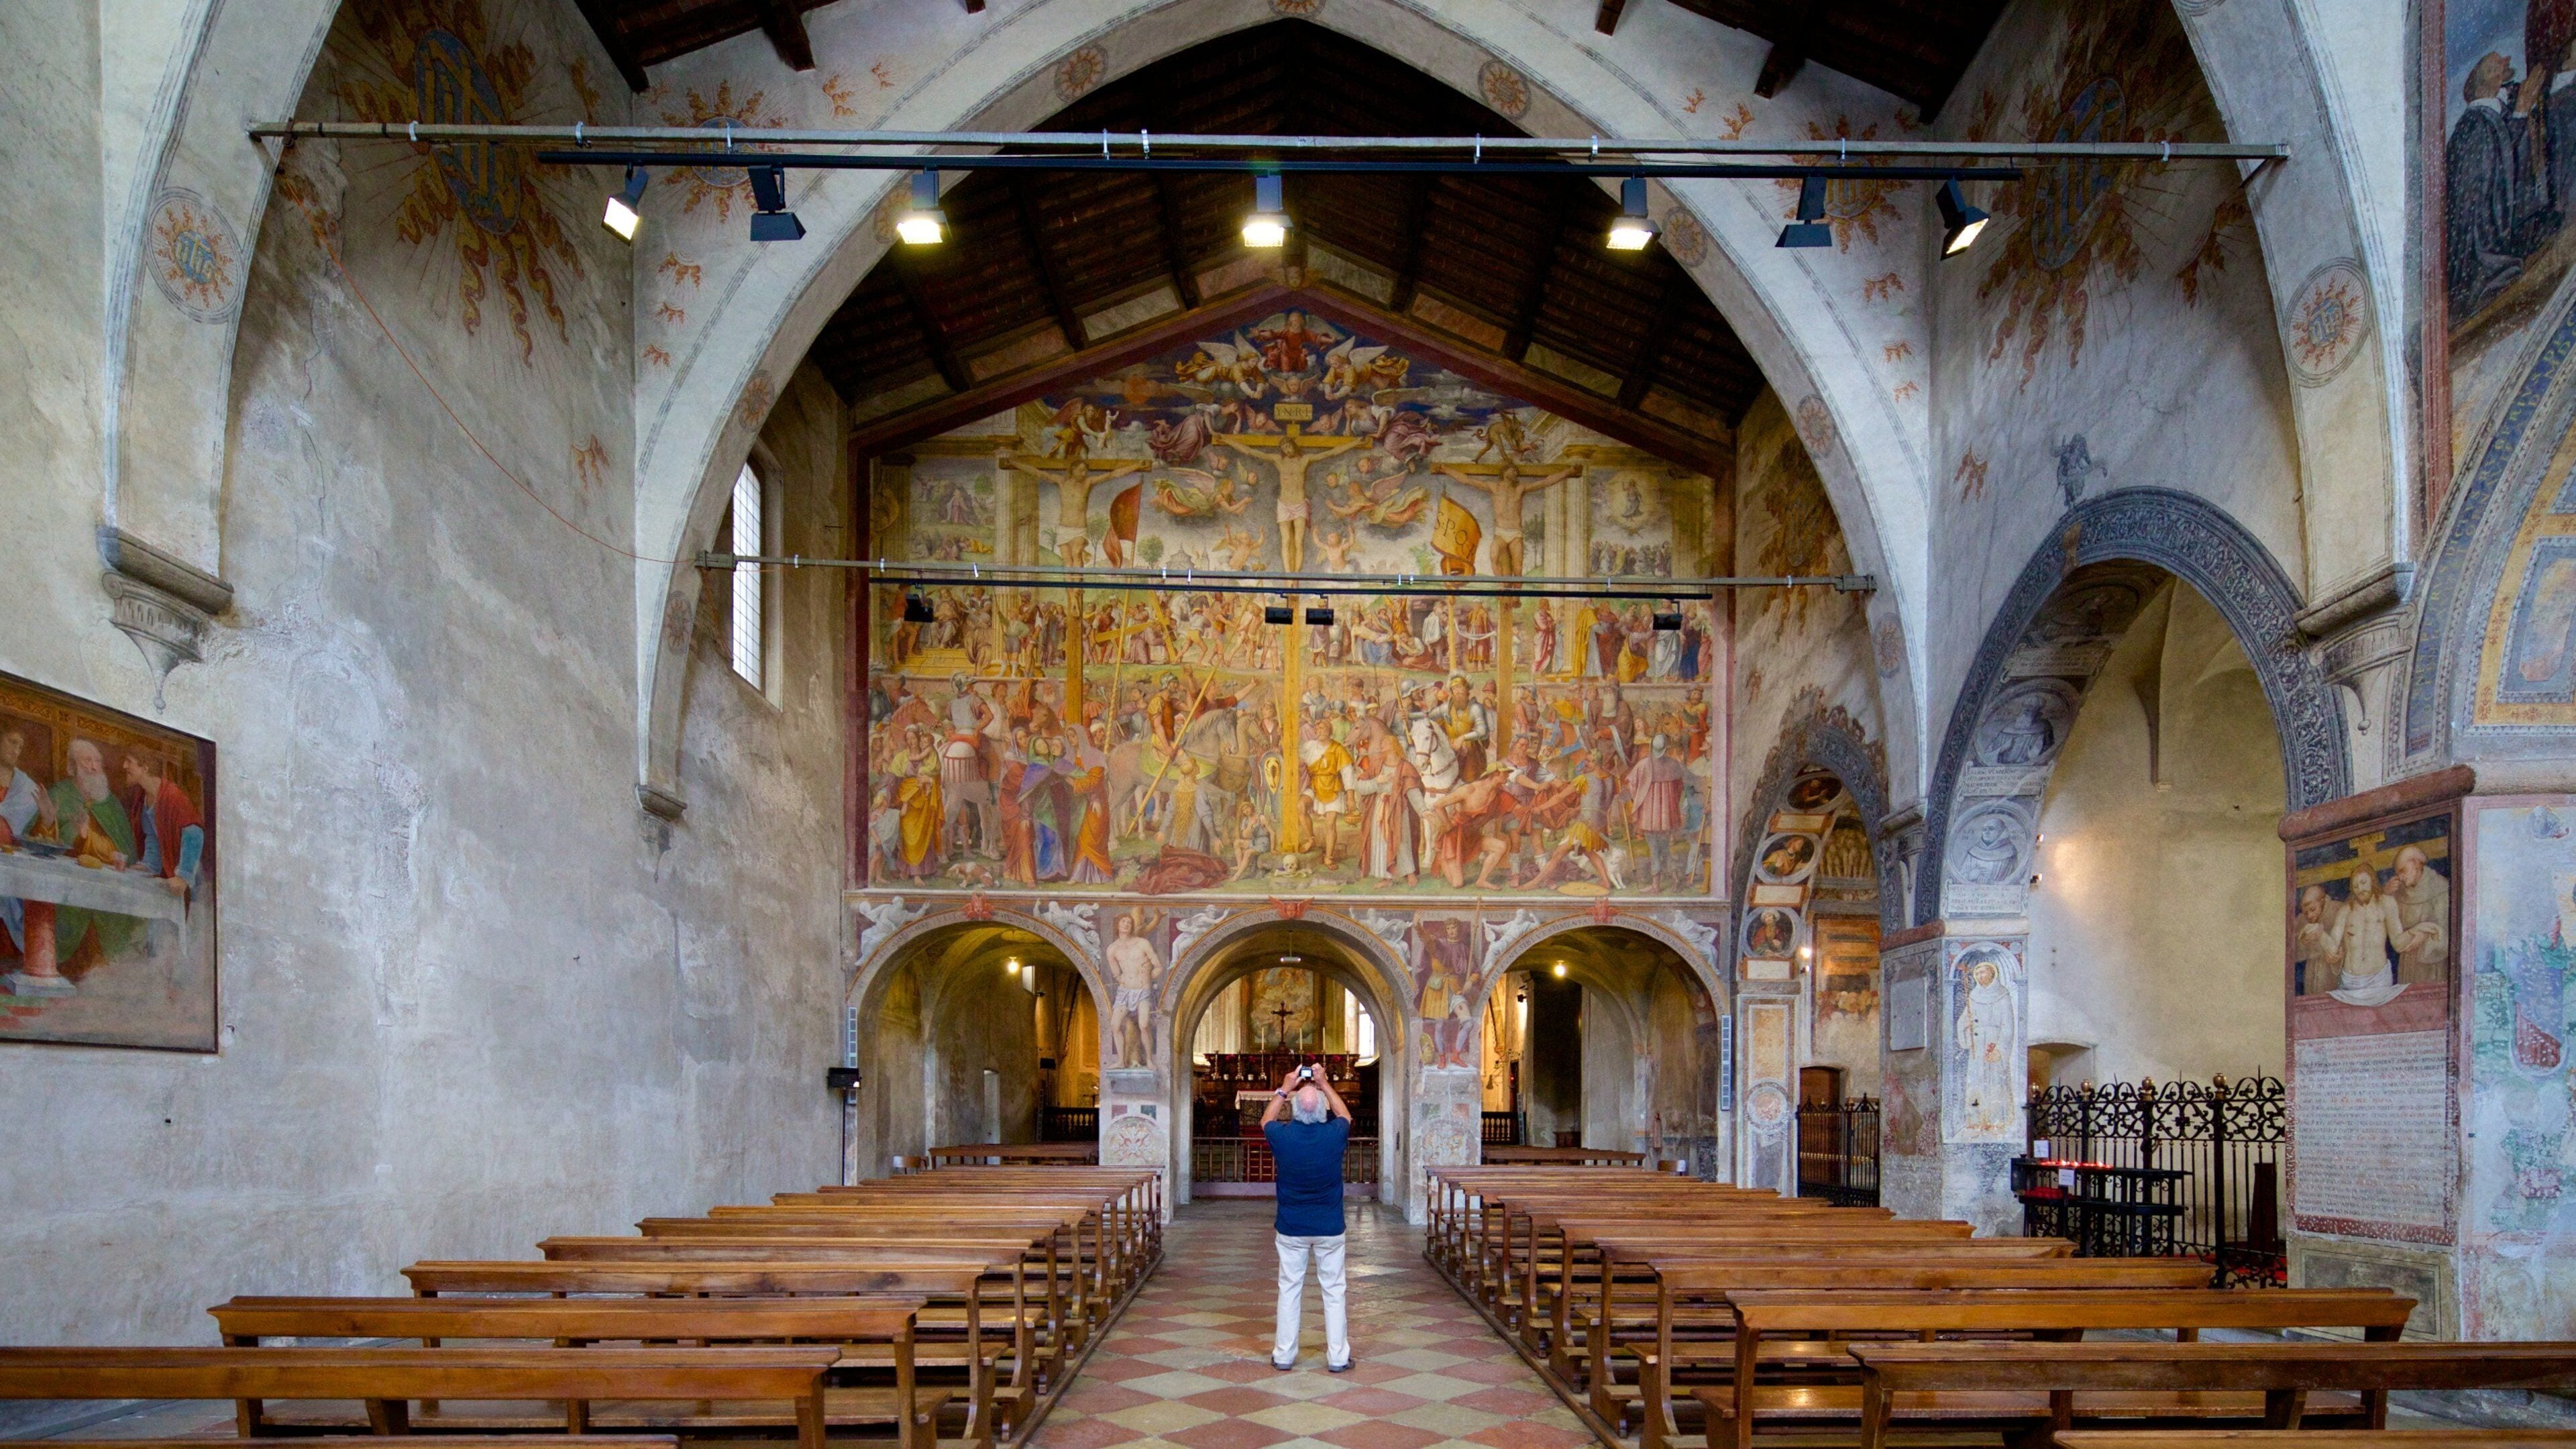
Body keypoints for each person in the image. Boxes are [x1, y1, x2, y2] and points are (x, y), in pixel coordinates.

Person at [1260, 1063, 1355, 1373]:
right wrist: (1324, 1084)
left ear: (1295, 1110)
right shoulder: (1335, 1134)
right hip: (1330, 1227)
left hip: (1292, 1228)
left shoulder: (1283, 1136)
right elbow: (1345, 1116)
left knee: (1289, 1289)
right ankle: (1338, 1357)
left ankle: (1284, 1355)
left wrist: (1285, 1087)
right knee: (1334, 1291)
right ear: (1323, 1111)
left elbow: (1265, 1120)